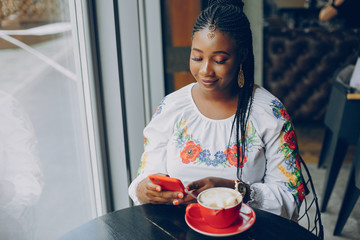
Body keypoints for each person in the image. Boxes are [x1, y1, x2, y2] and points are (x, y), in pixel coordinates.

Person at [128, 0, 306, 220]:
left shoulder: (269, 113)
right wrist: (144, 189)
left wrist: (237, 189)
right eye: (197, 57)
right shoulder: (172, 108)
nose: (205, 70)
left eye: (219, 60)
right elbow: (145, 177)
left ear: (241, 56)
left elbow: (291, 199)